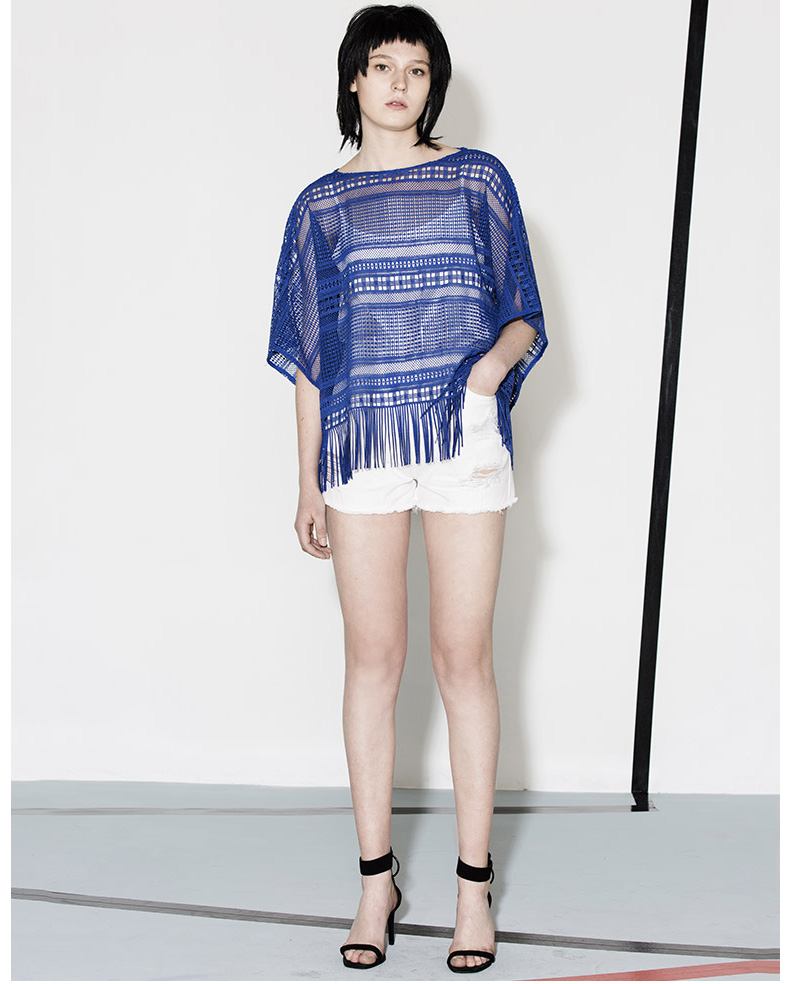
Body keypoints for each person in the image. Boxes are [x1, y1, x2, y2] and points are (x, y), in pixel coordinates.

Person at [267, 3, 547, 972]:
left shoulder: (478, 179)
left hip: (462, 440)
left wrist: (486, 374)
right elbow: (311, 358)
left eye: (416, 69)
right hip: (361, 451)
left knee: (464, 661)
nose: (398, 83)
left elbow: (523, 311)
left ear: (434, 84)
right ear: (354, 80)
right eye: (382, 65)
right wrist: (307, 480)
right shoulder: (320, 207)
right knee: (372, 663)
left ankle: (473, 890)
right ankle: (374, 884)